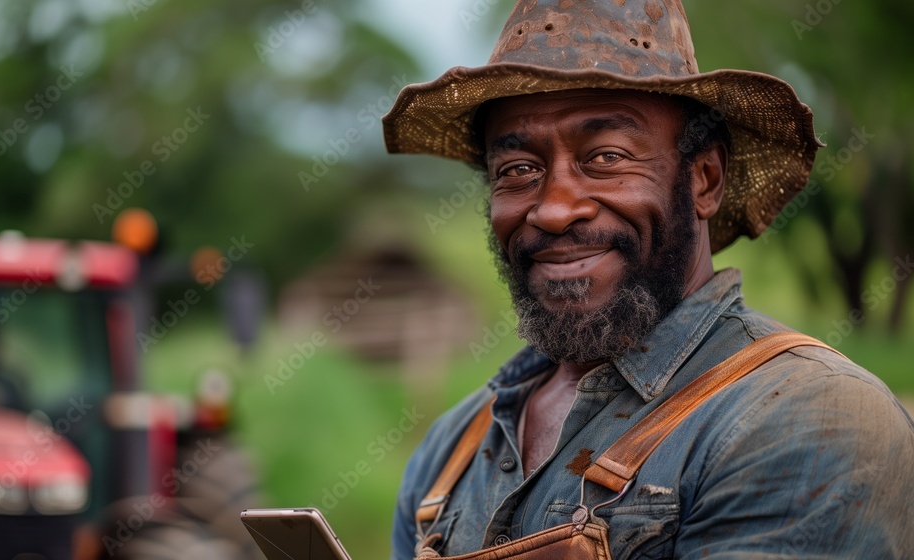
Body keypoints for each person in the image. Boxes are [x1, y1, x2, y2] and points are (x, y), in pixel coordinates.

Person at [381, 1, 914, 558]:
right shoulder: (453, 448)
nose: (555, 209)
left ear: (704, 180)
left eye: (606, 157)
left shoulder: (810, 419)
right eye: (518, 170)